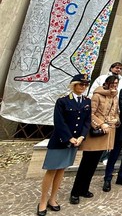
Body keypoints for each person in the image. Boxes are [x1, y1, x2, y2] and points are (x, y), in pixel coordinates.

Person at [37, 74, 91, 216]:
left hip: (75, 142)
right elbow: (59, 122)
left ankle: (53, 198)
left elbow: (87, 121)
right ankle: (43, 200)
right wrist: (69, 138)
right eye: (80, 84)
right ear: (74, 85)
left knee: (61, 170)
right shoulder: (63, 101)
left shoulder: (87, 102)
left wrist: (81, 136)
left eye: (85, 85)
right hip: (60, 141)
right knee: (51, 170)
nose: (83, 87)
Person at [70, 75, 119, 204]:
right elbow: (90, 114)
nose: (114, 86)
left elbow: (116, 113)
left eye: (116, 83)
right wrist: (100, 124)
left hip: (107, 133)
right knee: (85, 164)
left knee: (93, 165)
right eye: (112, 83)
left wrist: (116, 120)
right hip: (95, 133)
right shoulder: (97, 95)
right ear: (107, 83)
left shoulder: (115, 97)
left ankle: (84, 189)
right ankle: (75, 192)